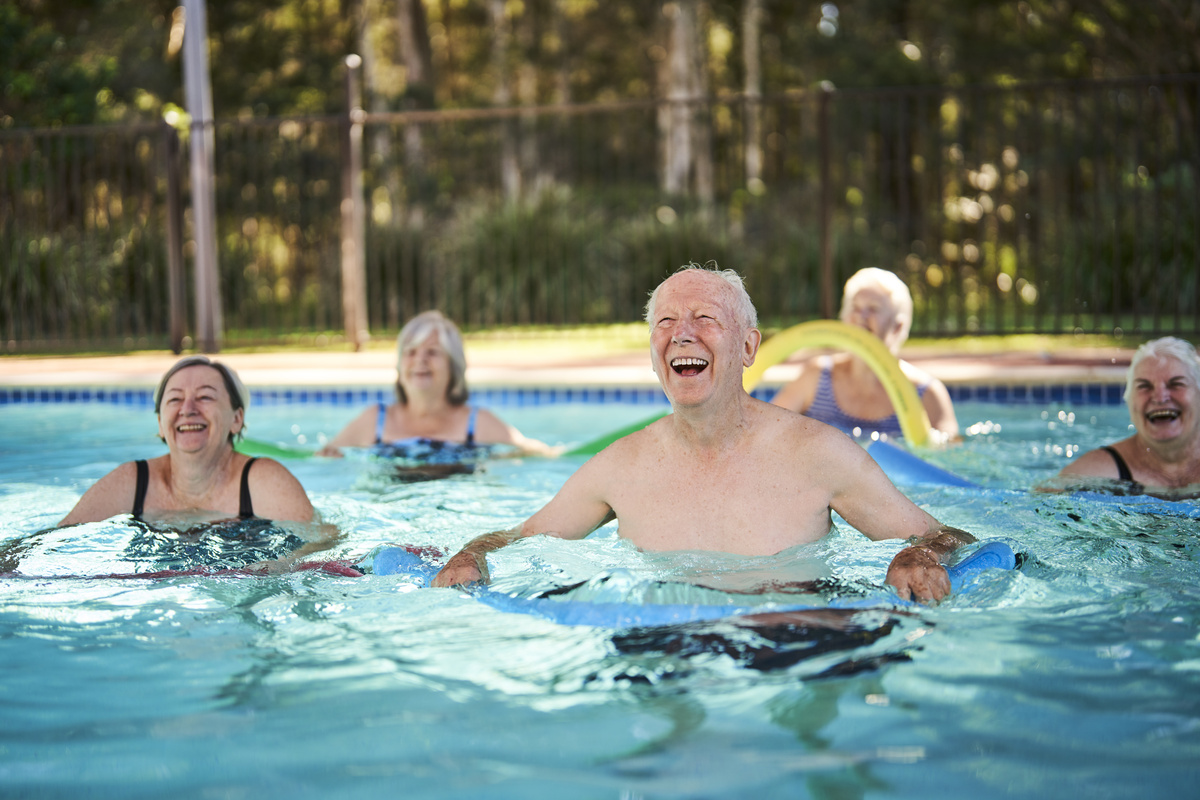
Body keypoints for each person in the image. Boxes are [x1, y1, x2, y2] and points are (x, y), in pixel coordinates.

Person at [433, 263, 976, 601]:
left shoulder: (820, 455)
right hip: (666, 641)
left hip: (793, 637)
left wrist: (916, 557)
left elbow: (950, 538)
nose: (681, 334)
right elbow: (517, 539)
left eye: (705, 319)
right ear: (652, 353)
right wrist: (471, 555)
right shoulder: (621, 465)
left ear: (747, 348)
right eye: (665, 323)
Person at [59, 356, 315, 527]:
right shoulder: (132, 481)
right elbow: (56, 540)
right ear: (160, 423)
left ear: (236, 419)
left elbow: (320, 549)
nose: (188, 409)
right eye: (174, 399)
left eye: (205, 397)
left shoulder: (264, 481)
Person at [317, 311, 556, 465]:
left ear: (453, 366)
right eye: (411, 352)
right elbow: (324, 459)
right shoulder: (374, 421)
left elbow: (533, 451)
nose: (420, 360)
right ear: (400, 365)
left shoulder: (477, 423)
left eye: (432, 352)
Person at [770, 267, 958, 441]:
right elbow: (768, 430)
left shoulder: (926, 393)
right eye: (855, 308)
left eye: (873, 309)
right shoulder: (817, 376)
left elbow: (950, 457)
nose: (861, 316)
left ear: (897, 326)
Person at [1052, 336, 1200, 494]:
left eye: (1176, 384)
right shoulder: (1096, 473)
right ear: (1129, 402)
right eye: (1144, 386)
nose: (1159, 397)